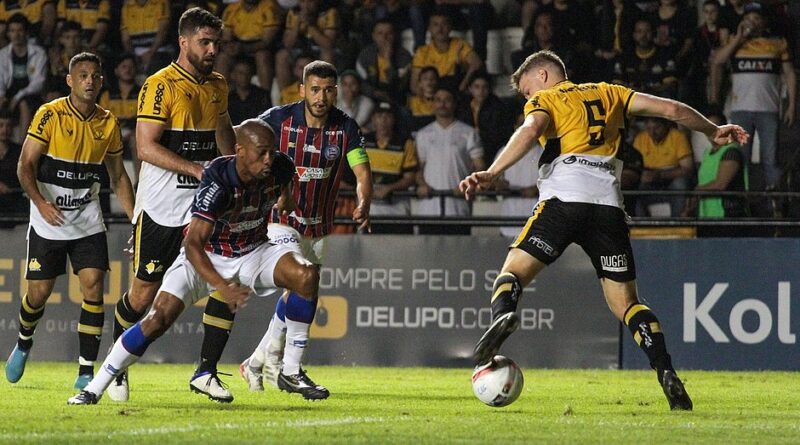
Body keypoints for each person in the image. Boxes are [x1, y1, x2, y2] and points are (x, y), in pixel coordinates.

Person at [460, 50, 749, 411]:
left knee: (511, 274)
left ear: (545, 77)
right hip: (609, 209)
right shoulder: (610, 92)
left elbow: (531, 128)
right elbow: (672, 110)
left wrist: (492, 172)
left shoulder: (546, 99)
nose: (527, 98)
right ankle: (666, 372)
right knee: (628, 305)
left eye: (527, 89)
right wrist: (712, 130)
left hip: (563, 200)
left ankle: (503, 314)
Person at [67, 119, 310, 406]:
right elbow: (193, 245)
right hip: (207, 257)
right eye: (261, 152)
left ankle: (290, 370)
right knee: (156, 320)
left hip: (253, 252)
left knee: (305, 275)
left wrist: (286, 198)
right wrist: (223, 285)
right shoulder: (218, 180)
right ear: (240, 151)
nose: (269, 158)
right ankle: (94, 388)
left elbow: (285, 178)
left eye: (272, 151)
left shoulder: (279, 165)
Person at [105, 7, 235, 403]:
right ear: (184, 42)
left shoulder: (217, 85)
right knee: (142, 297)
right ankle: (117, 361)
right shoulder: (160, 85)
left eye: (216, 42)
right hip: (161, 208)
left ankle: (206, 372)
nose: (212, 49)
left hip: (202, 207)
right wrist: (196, 169)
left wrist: (234, 176)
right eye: (205, 42)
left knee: (224, 279)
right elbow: (144, 147)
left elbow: (224, 131)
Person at [234, 60, 372, 400]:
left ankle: (256, 361)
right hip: (280, 221)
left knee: (298, 291)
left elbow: (362, 171)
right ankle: (290, 370)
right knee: (303, 276)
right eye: (314, 89)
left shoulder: (345, 128)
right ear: (302, 90)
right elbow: (240, 136)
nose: (320, 97)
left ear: (335, 92)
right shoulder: (278, 120)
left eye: (327, 90)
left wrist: (364, 200)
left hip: (318, 225)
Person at [5, 51, 135, 390]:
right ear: (70, 80)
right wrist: (41, 202)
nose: (89, 81)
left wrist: (136, 218)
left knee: (93, 287)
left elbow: (119, 176)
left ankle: (85, 370)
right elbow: (24, 167)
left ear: (102, 81)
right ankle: (23, 340)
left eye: (95, 75)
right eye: (83, 75)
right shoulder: (49, 114)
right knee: (39, 293)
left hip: (86, 218)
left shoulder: (108, 123)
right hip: (49, 219)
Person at [710, 2, 796, 191]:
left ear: (764, 22)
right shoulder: (734, 43)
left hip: (769, 109)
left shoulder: (777, 43)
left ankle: (775, 203)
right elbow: (718, 61)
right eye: (748, 18)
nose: (752, 22)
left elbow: (790, 73)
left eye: (756, 18)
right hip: (741, 110)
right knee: (741, 159)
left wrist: (791, 105)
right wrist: (738, 38)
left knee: (770, 160)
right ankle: (745, 202)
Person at [415, 85, 484, 235]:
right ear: (433, 104)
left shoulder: (468, 133)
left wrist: (468, 185)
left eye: (447, 100)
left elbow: (480, 167)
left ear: (454, 104)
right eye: (438, 100)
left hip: (459, 207)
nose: (442, 104)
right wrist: (422, 185)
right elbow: (419, 169)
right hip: (429, 208)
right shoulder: (423, 134)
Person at [365, 101, 418, 234]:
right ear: (373, 119)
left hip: (398, 211)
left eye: (387, 116)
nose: (383, 121)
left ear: (394, 120)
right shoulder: (362, 141)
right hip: (370, 212)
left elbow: (410, 178)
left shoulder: (405, 142)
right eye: (379, 116)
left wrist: (389, 188)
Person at [0, 14, 47, 142]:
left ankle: (21, 146)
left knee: (23, 103)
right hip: (10, 95)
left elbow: (39, 82)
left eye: (20, 30)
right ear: (8, 34)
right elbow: (1, 81)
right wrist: (2, 96)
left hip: (31, 96)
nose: (16, 34)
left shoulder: (39, 53)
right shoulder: (3, 54)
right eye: (12, 31)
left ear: (26, 32)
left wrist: (18, 96)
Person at [634, 116, 693, 217]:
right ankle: (640, 226)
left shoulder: (677, 137)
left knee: (680, 184)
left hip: (672, 179)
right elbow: (634, 167)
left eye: (657, 128)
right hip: (649, 181)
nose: (652, 133)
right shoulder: (641, 138)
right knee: (634, 188)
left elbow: (687, 169)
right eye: (649, 129)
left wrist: (660, 175)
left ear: (666, 125)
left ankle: (678, 224)